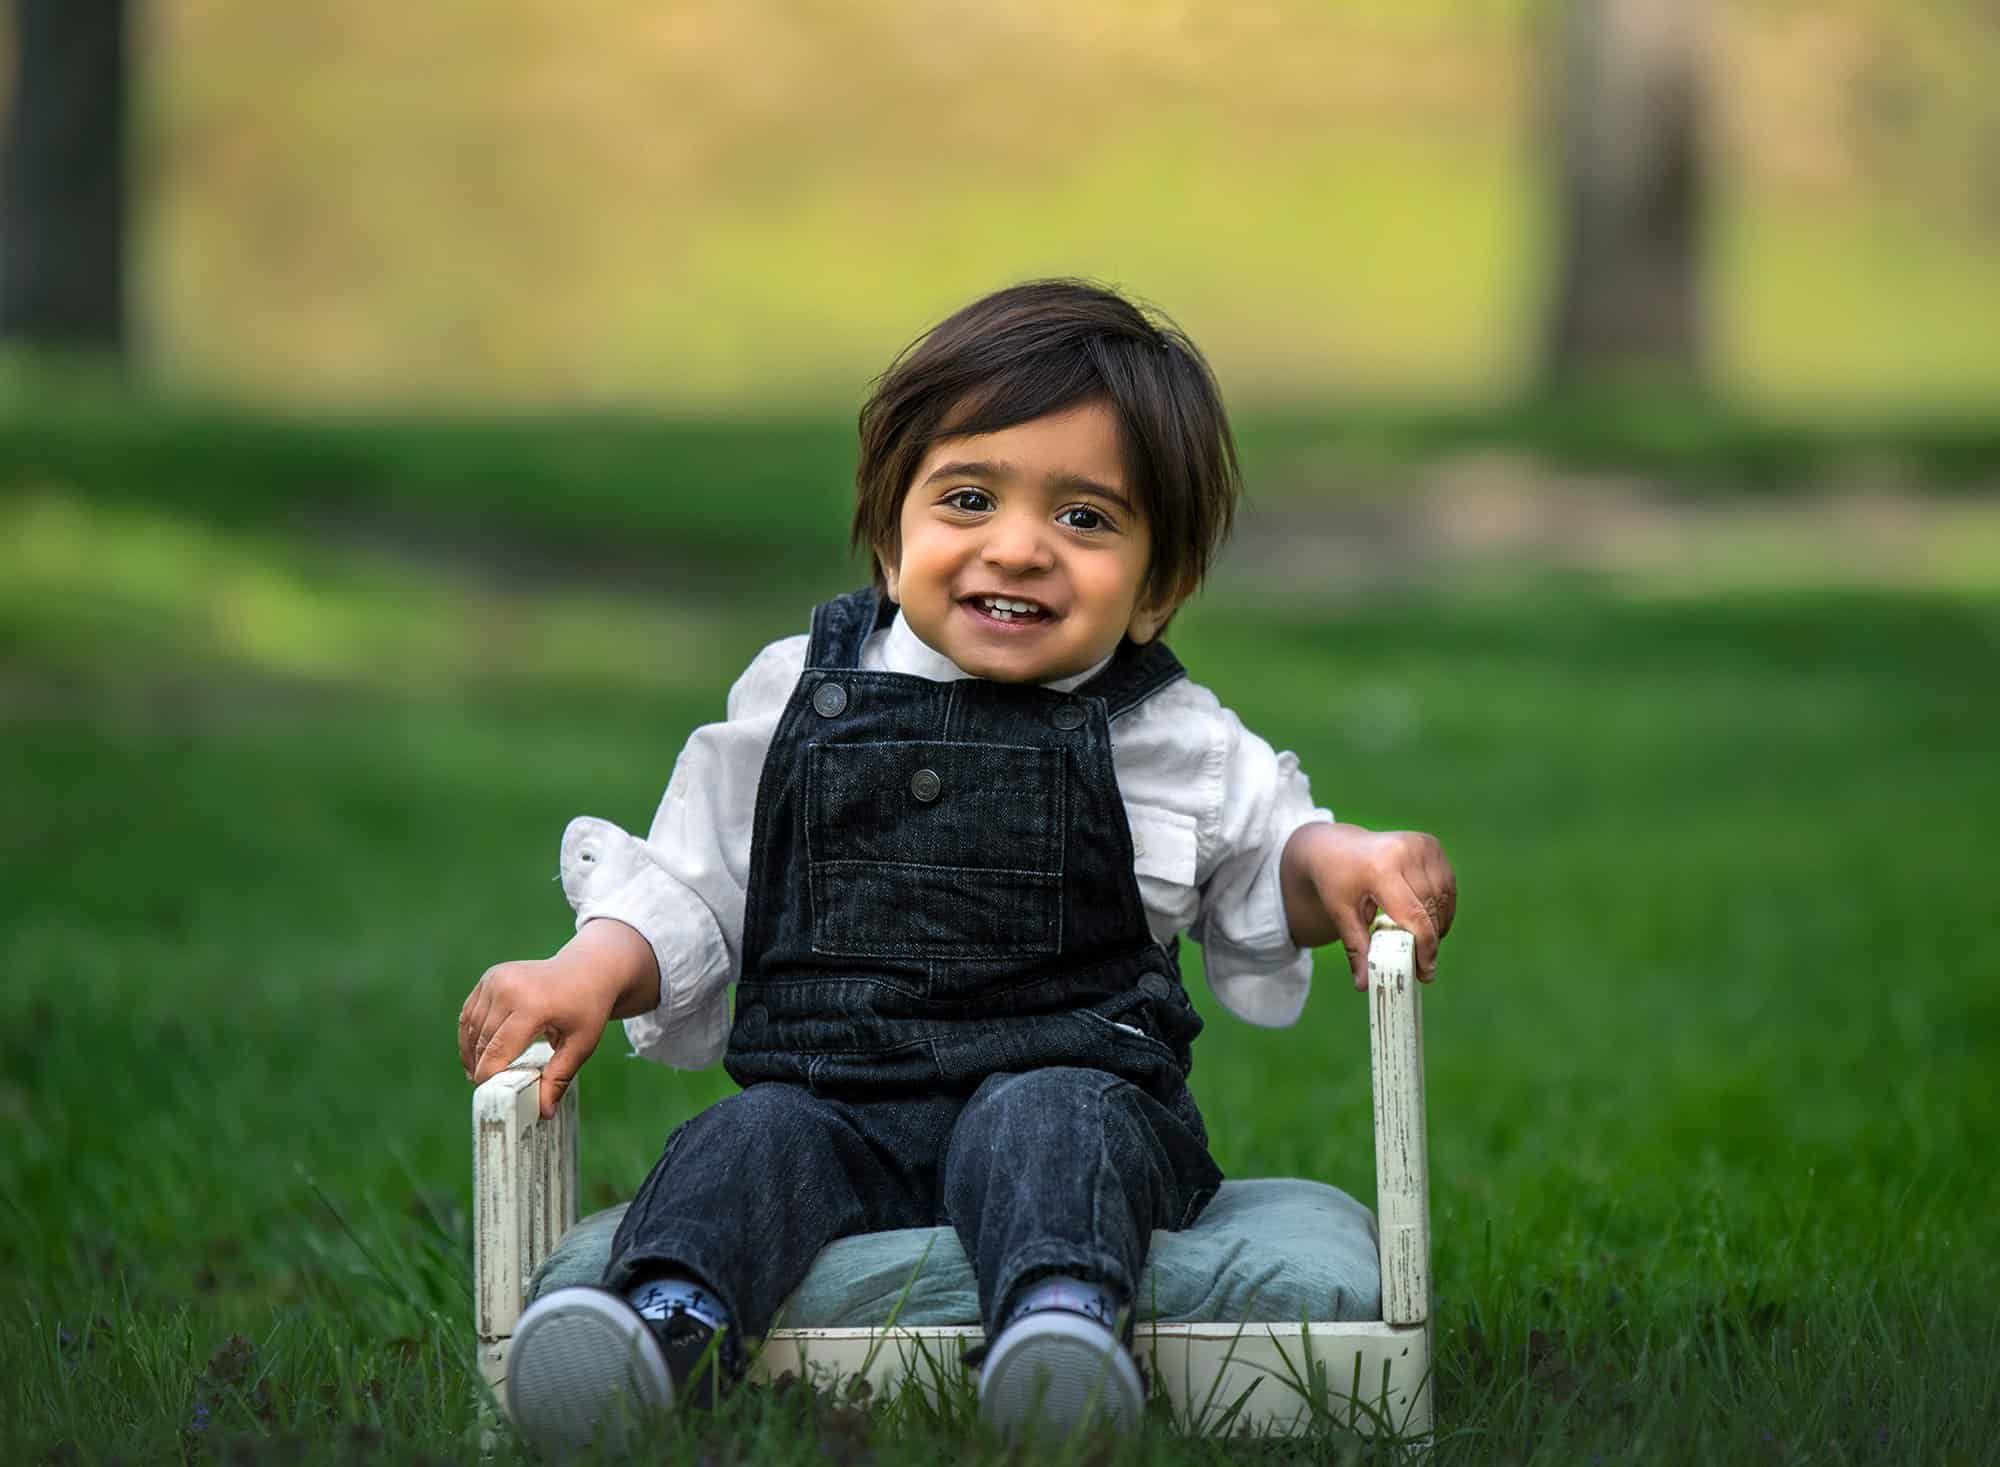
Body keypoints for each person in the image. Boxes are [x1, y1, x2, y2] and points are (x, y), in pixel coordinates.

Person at [458, 279, 1456, 1456]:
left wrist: (1342, 858)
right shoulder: (795, 696)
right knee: (745, 1140)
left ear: (1158, 591)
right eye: (969, 498)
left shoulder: (1165, 734)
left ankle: (1060, 1324)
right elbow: (693, 882)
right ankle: (658, 1324)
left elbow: (1263, 856)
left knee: (1048, 1128)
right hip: (837, 1107)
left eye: (1086, 520)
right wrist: (591, 967)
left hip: (1075, 1091)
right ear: (891, 539)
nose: (1020, 547)